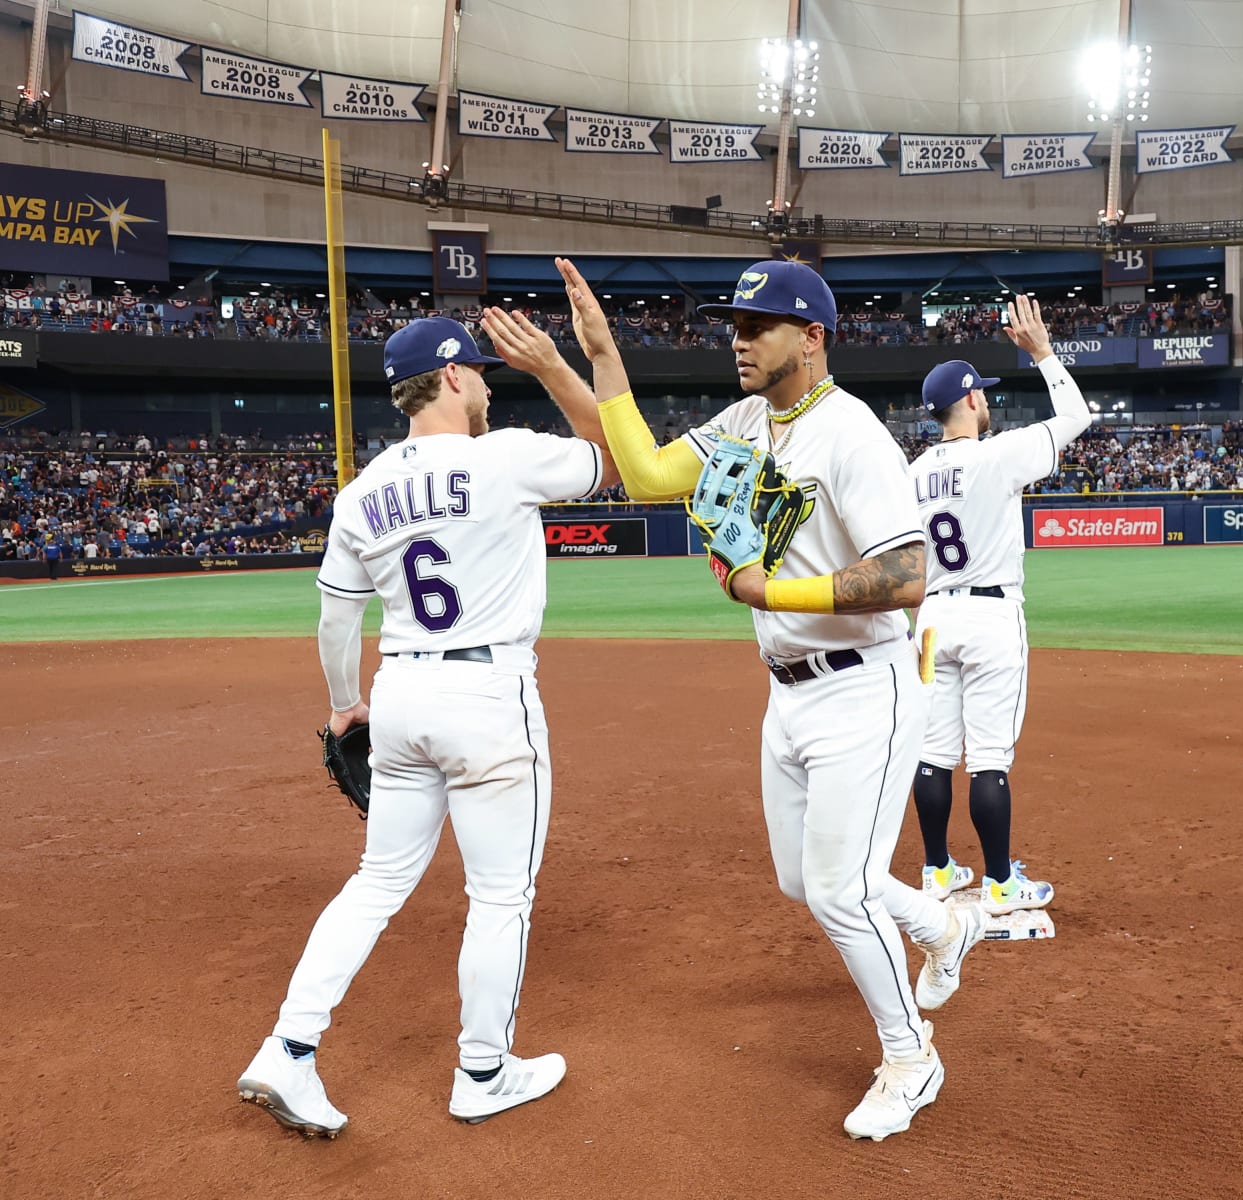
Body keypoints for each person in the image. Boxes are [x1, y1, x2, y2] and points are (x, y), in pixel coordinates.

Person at [561, 256, 985, 1141]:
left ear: (813, 337)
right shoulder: (746, 419)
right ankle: (941, 927)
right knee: (806, 880)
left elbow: (909, 575)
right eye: (734, 325)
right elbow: (643, 474)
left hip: (865, 690)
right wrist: (601, 355)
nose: (739, 341)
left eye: (758, 327)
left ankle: (912, 1056)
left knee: (839, 891)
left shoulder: (852, 434)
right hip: (787, 694)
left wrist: (769, 592)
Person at [236, 314, 618, 1137]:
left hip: (399, 694)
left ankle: (288, 1048)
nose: (486, 385)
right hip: (488, 695)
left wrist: (346, 705)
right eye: (479, 372)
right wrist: (557, 367)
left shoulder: (360, 492)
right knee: (500, 895)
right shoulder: (503, 454)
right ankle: (483, 1071)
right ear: (450, 378)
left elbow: (337, 624)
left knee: (376, 882)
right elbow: (615, 455)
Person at [907, 295, 1091, 914]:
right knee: (987, 758)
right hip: (989, 616)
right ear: (973, 401)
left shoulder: (910, 472)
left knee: (932, 753)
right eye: (981, 393)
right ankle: (1001, 886)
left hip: (930, 621)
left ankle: (936, 870)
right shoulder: (995, 455)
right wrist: (1041, 351)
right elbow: (1076, 416)